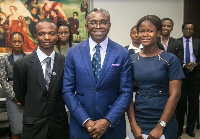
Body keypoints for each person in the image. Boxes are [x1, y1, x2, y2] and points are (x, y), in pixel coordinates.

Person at [62, 8, 133, 139]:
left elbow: (126, 92)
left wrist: (107, 121)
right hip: (81, 127)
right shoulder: (73, 52)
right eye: (93, 22)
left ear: (109, 25)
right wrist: (86, 121)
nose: (98, 26)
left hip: (112, 127)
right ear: (86, 25)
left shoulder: (122, 53)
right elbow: (67, 90)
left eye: (103, 22)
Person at [127, 15, 185, 139]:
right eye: (141, 31)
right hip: (139, 120)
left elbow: (175, 95)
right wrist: (133, 124)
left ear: (158, 33)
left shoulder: (170, 59)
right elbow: (126, 93)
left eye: (150, 31)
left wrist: (160, 126)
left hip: (164, 120)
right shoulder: (132, 60)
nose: (145, 34)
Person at [13, 18, 70, 139]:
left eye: (51, 33)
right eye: (41, 34)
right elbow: (20, 94)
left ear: (57, 36)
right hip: (34, 126)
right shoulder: (22, 64)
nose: (47, 37)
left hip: (59, 126)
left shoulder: (66, 62)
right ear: (35, 36)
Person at [0, 32, 27, 139]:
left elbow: (32, 78)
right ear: (10, 42)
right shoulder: (4, 58)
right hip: (12, 96)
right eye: (14, 41)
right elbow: (2, 79)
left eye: (19, 41)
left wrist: (24, 96)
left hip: (27, 95)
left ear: (23, 43)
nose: (17, 44)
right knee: (16, 127)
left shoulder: (28, 57)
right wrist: (14, 97)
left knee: (27, 126)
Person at [176, 20, 200, 138]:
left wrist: (195, 64)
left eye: (190, 29)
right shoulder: (177, 42)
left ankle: (190, 128)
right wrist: (183, 65)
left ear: (193, 31)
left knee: (193, 103)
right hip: (181, 75)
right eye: (186, 29)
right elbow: (174, 59)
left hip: (194, 76)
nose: (188, 31)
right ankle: (179, 128)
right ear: (182, 29)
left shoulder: (198, 42)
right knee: (180, 103)